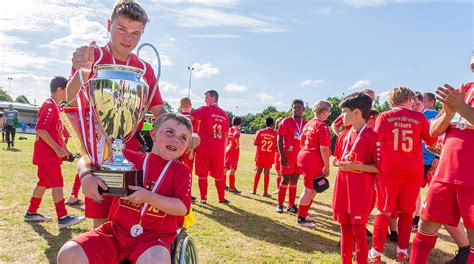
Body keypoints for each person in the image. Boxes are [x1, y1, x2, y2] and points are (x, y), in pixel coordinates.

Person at [67, 0, 167, 228]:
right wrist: (82, 70)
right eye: (122, 29)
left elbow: (157, 109)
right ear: (109, 24)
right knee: (101, 225)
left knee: (130, 223)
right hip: (97, 155)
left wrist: (178, 129)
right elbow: (71, 100)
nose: (128, 38)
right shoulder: (92, 57)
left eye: (136, 33)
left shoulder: (145, 69)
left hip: (131, 155)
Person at [57, 113, 193, 264]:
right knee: (68, 253)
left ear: (187, 145)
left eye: (183, 138)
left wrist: (149, 197)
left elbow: (181, 208)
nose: (176, 139)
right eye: (170, 132)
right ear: (153, 134)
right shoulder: (128, 158)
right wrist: (86, 176)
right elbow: (87, 159)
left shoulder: (182, 172)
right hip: (115, 233)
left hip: (153, 239)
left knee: (157, 260)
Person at [369, 87, 438, 263]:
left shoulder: (384, 116)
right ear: (407, 98)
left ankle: (376, 253)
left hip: (389, 169)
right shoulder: (420, 117)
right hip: (413, 170)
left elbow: (375, 140)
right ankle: (402, 251)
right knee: (407, 212)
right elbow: (431, 140)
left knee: (384, 210)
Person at [409, 77, 474, 264]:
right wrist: (448, 113)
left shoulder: (459, 100)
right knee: (426, 223)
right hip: (445, 173)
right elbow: (432, 132)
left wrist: (461, 108)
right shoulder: (463, 90)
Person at [24, 76, 85, 228]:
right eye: (66, 89)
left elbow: (56, 133)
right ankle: (63, 217)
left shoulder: (56, 106)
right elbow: (40, 129)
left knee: (43, 183)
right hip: (47, 154)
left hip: (49, 154)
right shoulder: (49, 105)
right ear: (59, 90)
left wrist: (66, 150)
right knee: (57, 183)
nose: (68, 93)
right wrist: (57, 148)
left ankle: (31, 213)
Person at [332, 92, 380, 264]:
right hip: (342, 188)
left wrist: (355, 167)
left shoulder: (372, 137)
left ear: (357, 112)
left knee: (359, 233)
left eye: (344, 112)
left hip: (360, 191)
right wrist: (337, 162)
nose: (341, 117)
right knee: (344, 230)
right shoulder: (344, 136)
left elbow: (379, 168)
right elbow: (340, 157)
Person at [189, 90, 230, 204]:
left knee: (202, 174)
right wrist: (223, 149)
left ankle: (203, 198)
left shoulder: (204, 109)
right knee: (219, 174)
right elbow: (226, 134)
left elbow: (190, 118)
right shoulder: (224, 114)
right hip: (218, 150)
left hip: (204, 148)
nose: (205, 100)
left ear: (214, 97)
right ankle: (221, 198)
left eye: (206, 97)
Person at [296, 100, 331, 228]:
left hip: (304, 156)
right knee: (309, 190)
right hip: (312, 158)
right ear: (324, 111)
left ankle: (304, 214)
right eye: (329, 111)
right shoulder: (322, 126)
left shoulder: (308, 123)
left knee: (314, 188)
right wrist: (327, 167)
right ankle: (301, 218)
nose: (329, 114)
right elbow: (324, 148)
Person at [275, 99, 307, 214]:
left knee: (294, 180)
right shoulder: (286, 121)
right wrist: (282, 156)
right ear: (291, 109)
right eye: (294, 107)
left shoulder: (306, 123)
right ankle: (280, 204)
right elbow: (279, 138)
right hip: (288, 156)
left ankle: (291, 205)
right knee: (285, 180)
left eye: (299, 107)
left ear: (303, 109)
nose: (297, 109)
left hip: (300, 157)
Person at [252, 117, 277, 197]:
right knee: (267, 173)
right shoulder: (275, 134)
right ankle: (265, 192)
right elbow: (276, 146)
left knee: (258, 172)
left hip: (260, 155)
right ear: (272, 124)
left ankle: (254, 190)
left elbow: (256, 143)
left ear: (265, 123)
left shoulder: (260, 132)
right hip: (269, 156)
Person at [178, 97, 199, 174]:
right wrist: (192, 150)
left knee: (176, 167)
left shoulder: (176, 117)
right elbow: (195, 134)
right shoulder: (194, 118)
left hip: (178, 145)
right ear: (190, 105)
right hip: (190, 147)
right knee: (188, 170)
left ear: (180, 107)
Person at [224, 116, 242, 193]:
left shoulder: (229, 129)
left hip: (227, 150)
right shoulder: (237, 130)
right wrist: (237, 144)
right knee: (233, 169)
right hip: (234, 151)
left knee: (225, 169)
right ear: (240, 123)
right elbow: (236, 136)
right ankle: (231, 187)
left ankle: (223, 185)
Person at [272, 117, 283, 194]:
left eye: (281, 122)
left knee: (285, 173)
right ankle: (278, 188)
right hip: (277, 154)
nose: (280, 124)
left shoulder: (286, 132)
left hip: (284, 155)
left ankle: (283, 188)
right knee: (278, 172)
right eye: (279, 122)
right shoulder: (275, 133)